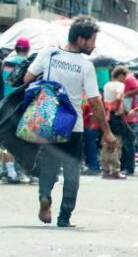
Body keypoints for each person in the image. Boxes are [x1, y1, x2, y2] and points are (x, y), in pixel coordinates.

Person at [23, 16, 117, 227]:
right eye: (92, 40)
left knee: (49, 165)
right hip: (72, 125)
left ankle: (45, 197)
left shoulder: (49, 53)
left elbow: (27, 79)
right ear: (82, 40)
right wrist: (107, 131)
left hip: (47, 119)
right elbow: (94, 101)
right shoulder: (85, 66)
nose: (94, 45)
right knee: (72, 170)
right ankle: (64, 216)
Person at [1, 37, 31, 183]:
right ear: (27, 49)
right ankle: (16, 172)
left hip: (4, 104)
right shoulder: (27, 64)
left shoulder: (5, 63)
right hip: (19, 105)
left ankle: (6, 171)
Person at [101, 66, 128, 179]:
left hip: (106, 115)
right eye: (125, 76)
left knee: (106, 142)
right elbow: (118, 96)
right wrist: (117, 108)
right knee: (116, 143)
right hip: (115, 116)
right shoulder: (120, 85)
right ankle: (115, 170)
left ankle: (105, 170)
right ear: (121, 75)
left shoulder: (107, 85)